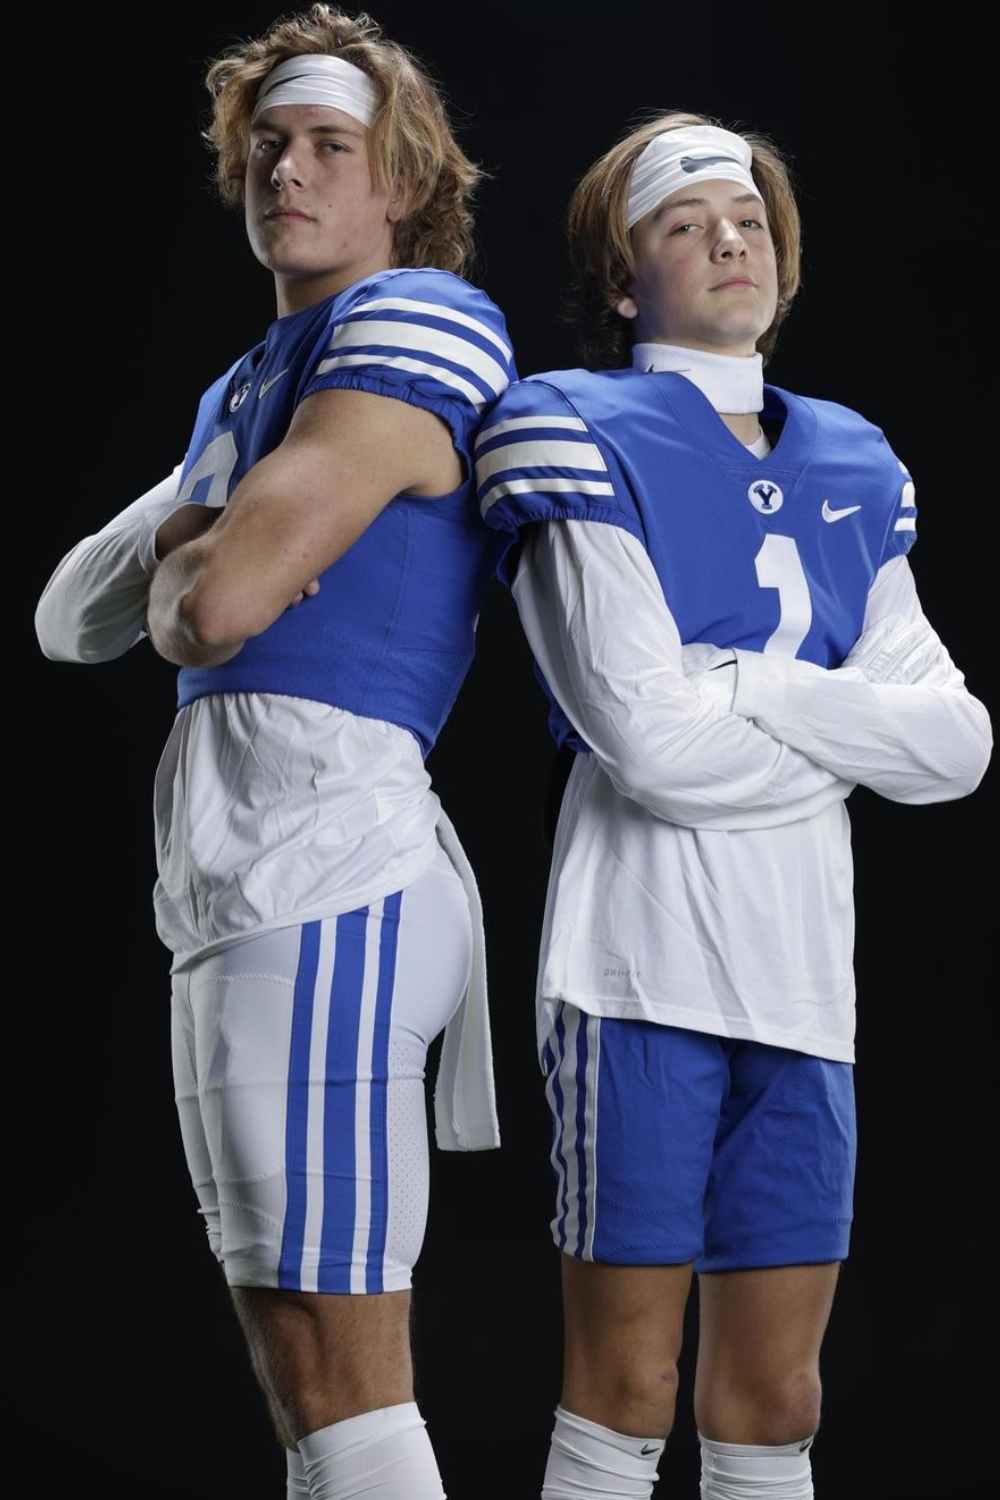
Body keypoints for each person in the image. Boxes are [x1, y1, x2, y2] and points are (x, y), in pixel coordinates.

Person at [474, 113, 992, 1499]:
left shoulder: (854, 458)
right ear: (624, 273)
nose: (730, 238)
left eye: (750, 218)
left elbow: (954, 746)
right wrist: (844, 726)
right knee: (628, 1385)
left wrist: (750, 682)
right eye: (685, 222)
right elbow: (651, 747)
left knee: (776, 1395)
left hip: (803, 979)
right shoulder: (568, 423)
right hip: (637, 964)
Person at [34, 7, 515, 1497]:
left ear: (404, 186)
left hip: (332, 865)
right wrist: (197, 535)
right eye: (265, 145)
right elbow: (67, 619)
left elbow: (214, 606)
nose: (282, 169)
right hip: (243, 884)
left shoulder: (417, 315)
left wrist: (198, 558)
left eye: (328, 146)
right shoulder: (255, 383)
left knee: (346, 1356)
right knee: (300, 1361)